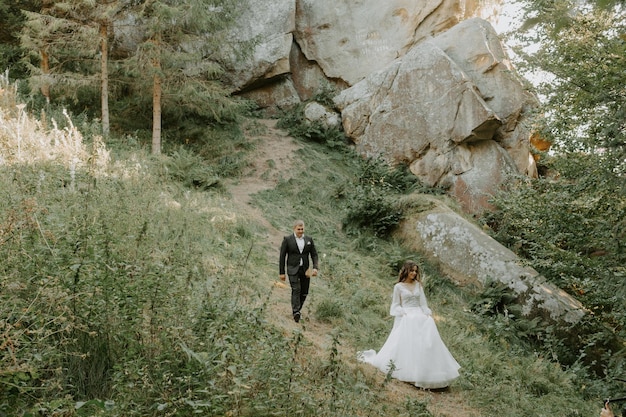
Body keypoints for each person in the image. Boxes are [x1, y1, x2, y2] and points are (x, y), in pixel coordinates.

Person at [358, 260, 460, 389]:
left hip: (419, 314)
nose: (414, 273)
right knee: (409, 343)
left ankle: (429, 372)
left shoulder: (418, 285)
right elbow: (395, 306)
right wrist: (403, 312)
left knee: (427, 339)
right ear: (406, 271)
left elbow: (423, 304)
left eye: (416, 271)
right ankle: (409, 371)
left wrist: (427, 313)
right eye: (412, 271)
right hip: (406, 314)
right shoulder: (398, 287)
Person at [279, 220, 319, 323]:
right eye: (298, 229)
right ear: (294, 229)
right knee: (296, 289)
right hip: (292, 268)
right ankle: (296, 312)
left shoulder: (309, 240)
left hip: (305, 270)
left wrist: (315, 267)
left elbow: (314, 254)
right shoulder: (288, 240)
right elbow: (282, 256)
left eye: (302, 229)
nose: (300, 231)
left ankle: (298, 309)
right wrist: (282, 272)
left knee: (304, 291)